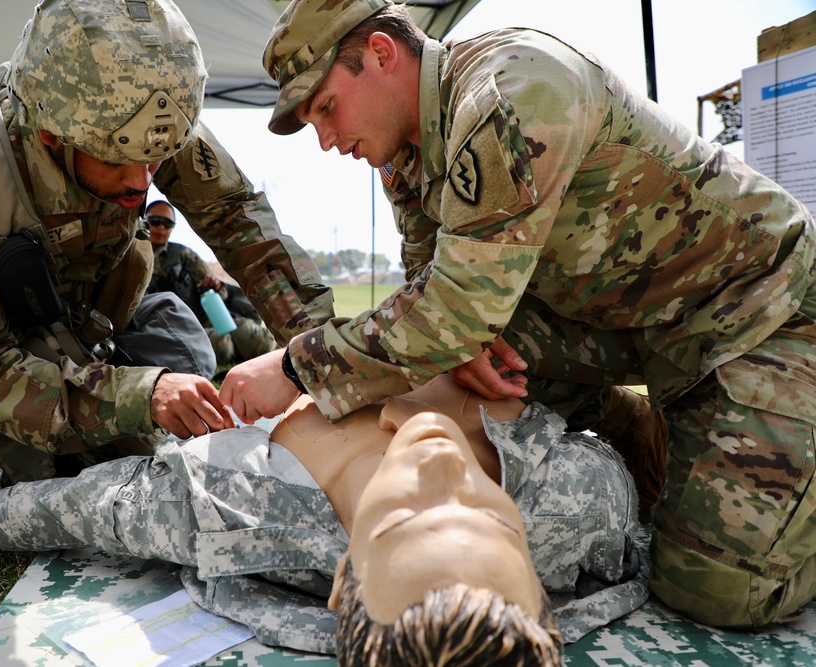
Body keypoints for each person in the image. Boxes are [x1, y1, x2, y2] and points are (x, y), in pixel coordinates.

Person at [219, 0, 816, 629]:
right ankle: (639, 427)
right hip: (641, 323)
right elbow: (432, 293)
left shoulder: (511, 90)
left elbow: (454, 310)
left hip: (754, 311)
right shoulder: (414, 153)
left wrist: (296, 365)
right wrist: (463, 342)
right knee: (459, 366)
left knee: (718, 593)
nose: (328, 141)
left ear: (380, 54)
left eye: (326, 108)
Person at [0, 0, 333, 491]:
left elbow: (238, 222)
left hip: (94, 342)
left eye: (156, 159)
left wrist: (323, 352)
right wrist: (142, 395)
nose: (141, 181)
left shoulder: (147, 122)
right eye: (116, 162)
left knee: (180, 371)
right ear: (51, 137)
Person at [0, 374, 646, 659]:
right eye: (495, 519)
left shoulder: (226, 507)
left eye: (406, 518)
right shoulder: (584, 501)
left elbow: (79, 508)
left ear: (345, 578)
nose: (447, 468)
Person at [143, 198, 278, 366]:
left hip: (201, 321)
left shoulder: (183, 254)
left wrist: (216, 287)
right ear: (144, 222)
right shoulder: (132, 254)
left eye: (168, 223)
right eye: (155, 221)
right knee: (223, 346)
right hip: (164, 328)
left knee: (261, 340)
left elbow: (215, 290)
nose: (161, 227)